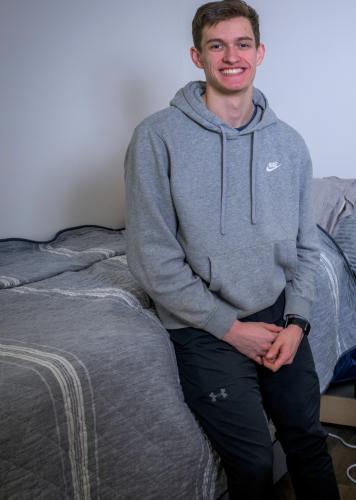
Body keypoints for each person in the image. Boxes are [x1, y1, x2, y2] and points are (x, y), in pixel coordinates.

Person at [124, 1, 339, 498]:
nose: (231, 56)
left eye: (242, 44)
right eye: (216, 46)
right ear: (196, 57)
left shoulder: (289, 144)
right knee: (253, 463)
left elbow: (307, 247)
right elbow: (152, 257)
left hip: (279, 316)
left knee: (307, 440)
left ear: (260, 53)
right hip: (203, 327)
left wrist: (298, 321)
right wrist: (231, 329)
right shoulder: (156, 138)